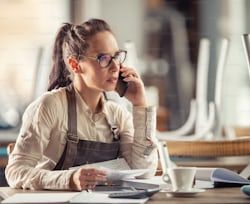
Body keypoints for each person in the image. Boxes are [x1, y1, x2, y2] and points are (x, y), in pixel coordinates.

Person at [5, 18, 158, 191]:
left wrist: (140, 105)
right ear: (75, 64)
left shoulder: (117, 115)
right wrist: (68, 180)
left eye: (116, 56)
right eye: (104, 58)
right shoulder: (50, 106)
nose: (115, 67)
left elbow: (144, 171)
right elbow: (16, 171)